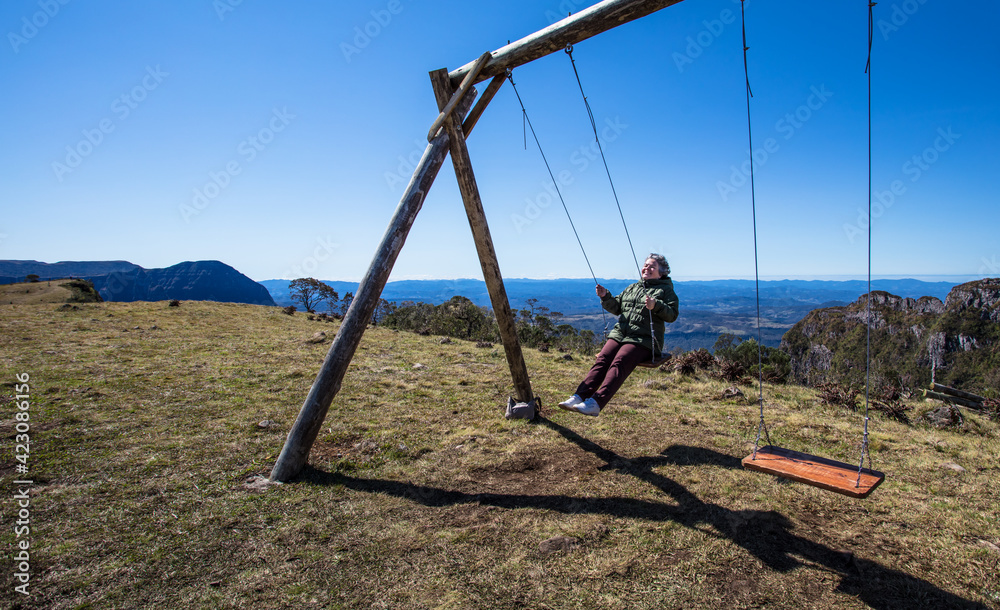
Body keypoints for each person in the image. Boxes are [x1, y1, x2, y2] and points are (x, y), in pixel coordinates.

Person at [558, 254, 679, 417]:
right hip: (621, 334)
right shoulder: (633, 288)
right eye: (646, 265)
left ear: (661, 272)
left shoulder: (665, 291)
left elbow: (672, 315)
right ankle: (579, 396)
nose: (647, 269)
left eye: (652, 267)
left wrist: (656, 305)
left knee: (619, 362)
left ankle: (595, 403)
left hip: (644, 340)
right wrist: (605, 296)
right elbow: (617, 308)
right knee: (602, 359)